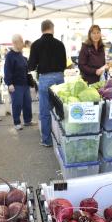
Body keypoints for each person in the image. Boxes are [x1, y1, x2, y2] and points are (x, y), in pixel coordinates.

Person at [28, 19, 67, 147]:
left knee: (45, 110)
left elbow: (31, 66)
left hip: (45, 79)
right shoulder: (60, 44)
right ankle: (63, 138)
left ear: (42, 29)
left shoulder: (36, 45)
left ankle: (46, 140)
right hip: (59, 79)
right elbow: (64, 64)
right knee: (61, 109)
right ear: (52, 28)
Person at [4, 34, 33, 130]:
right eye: (22, 42)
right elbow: (7, 70)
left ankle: (28, 120)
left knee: (27, 103)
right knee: (17, 104)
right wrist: (9, 84)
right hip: (16, 85)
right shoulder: (10, 56)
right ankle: (17, 122)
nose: (23, 44)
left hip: (25, 84)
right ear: (16, 43)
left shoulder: (20, 54)